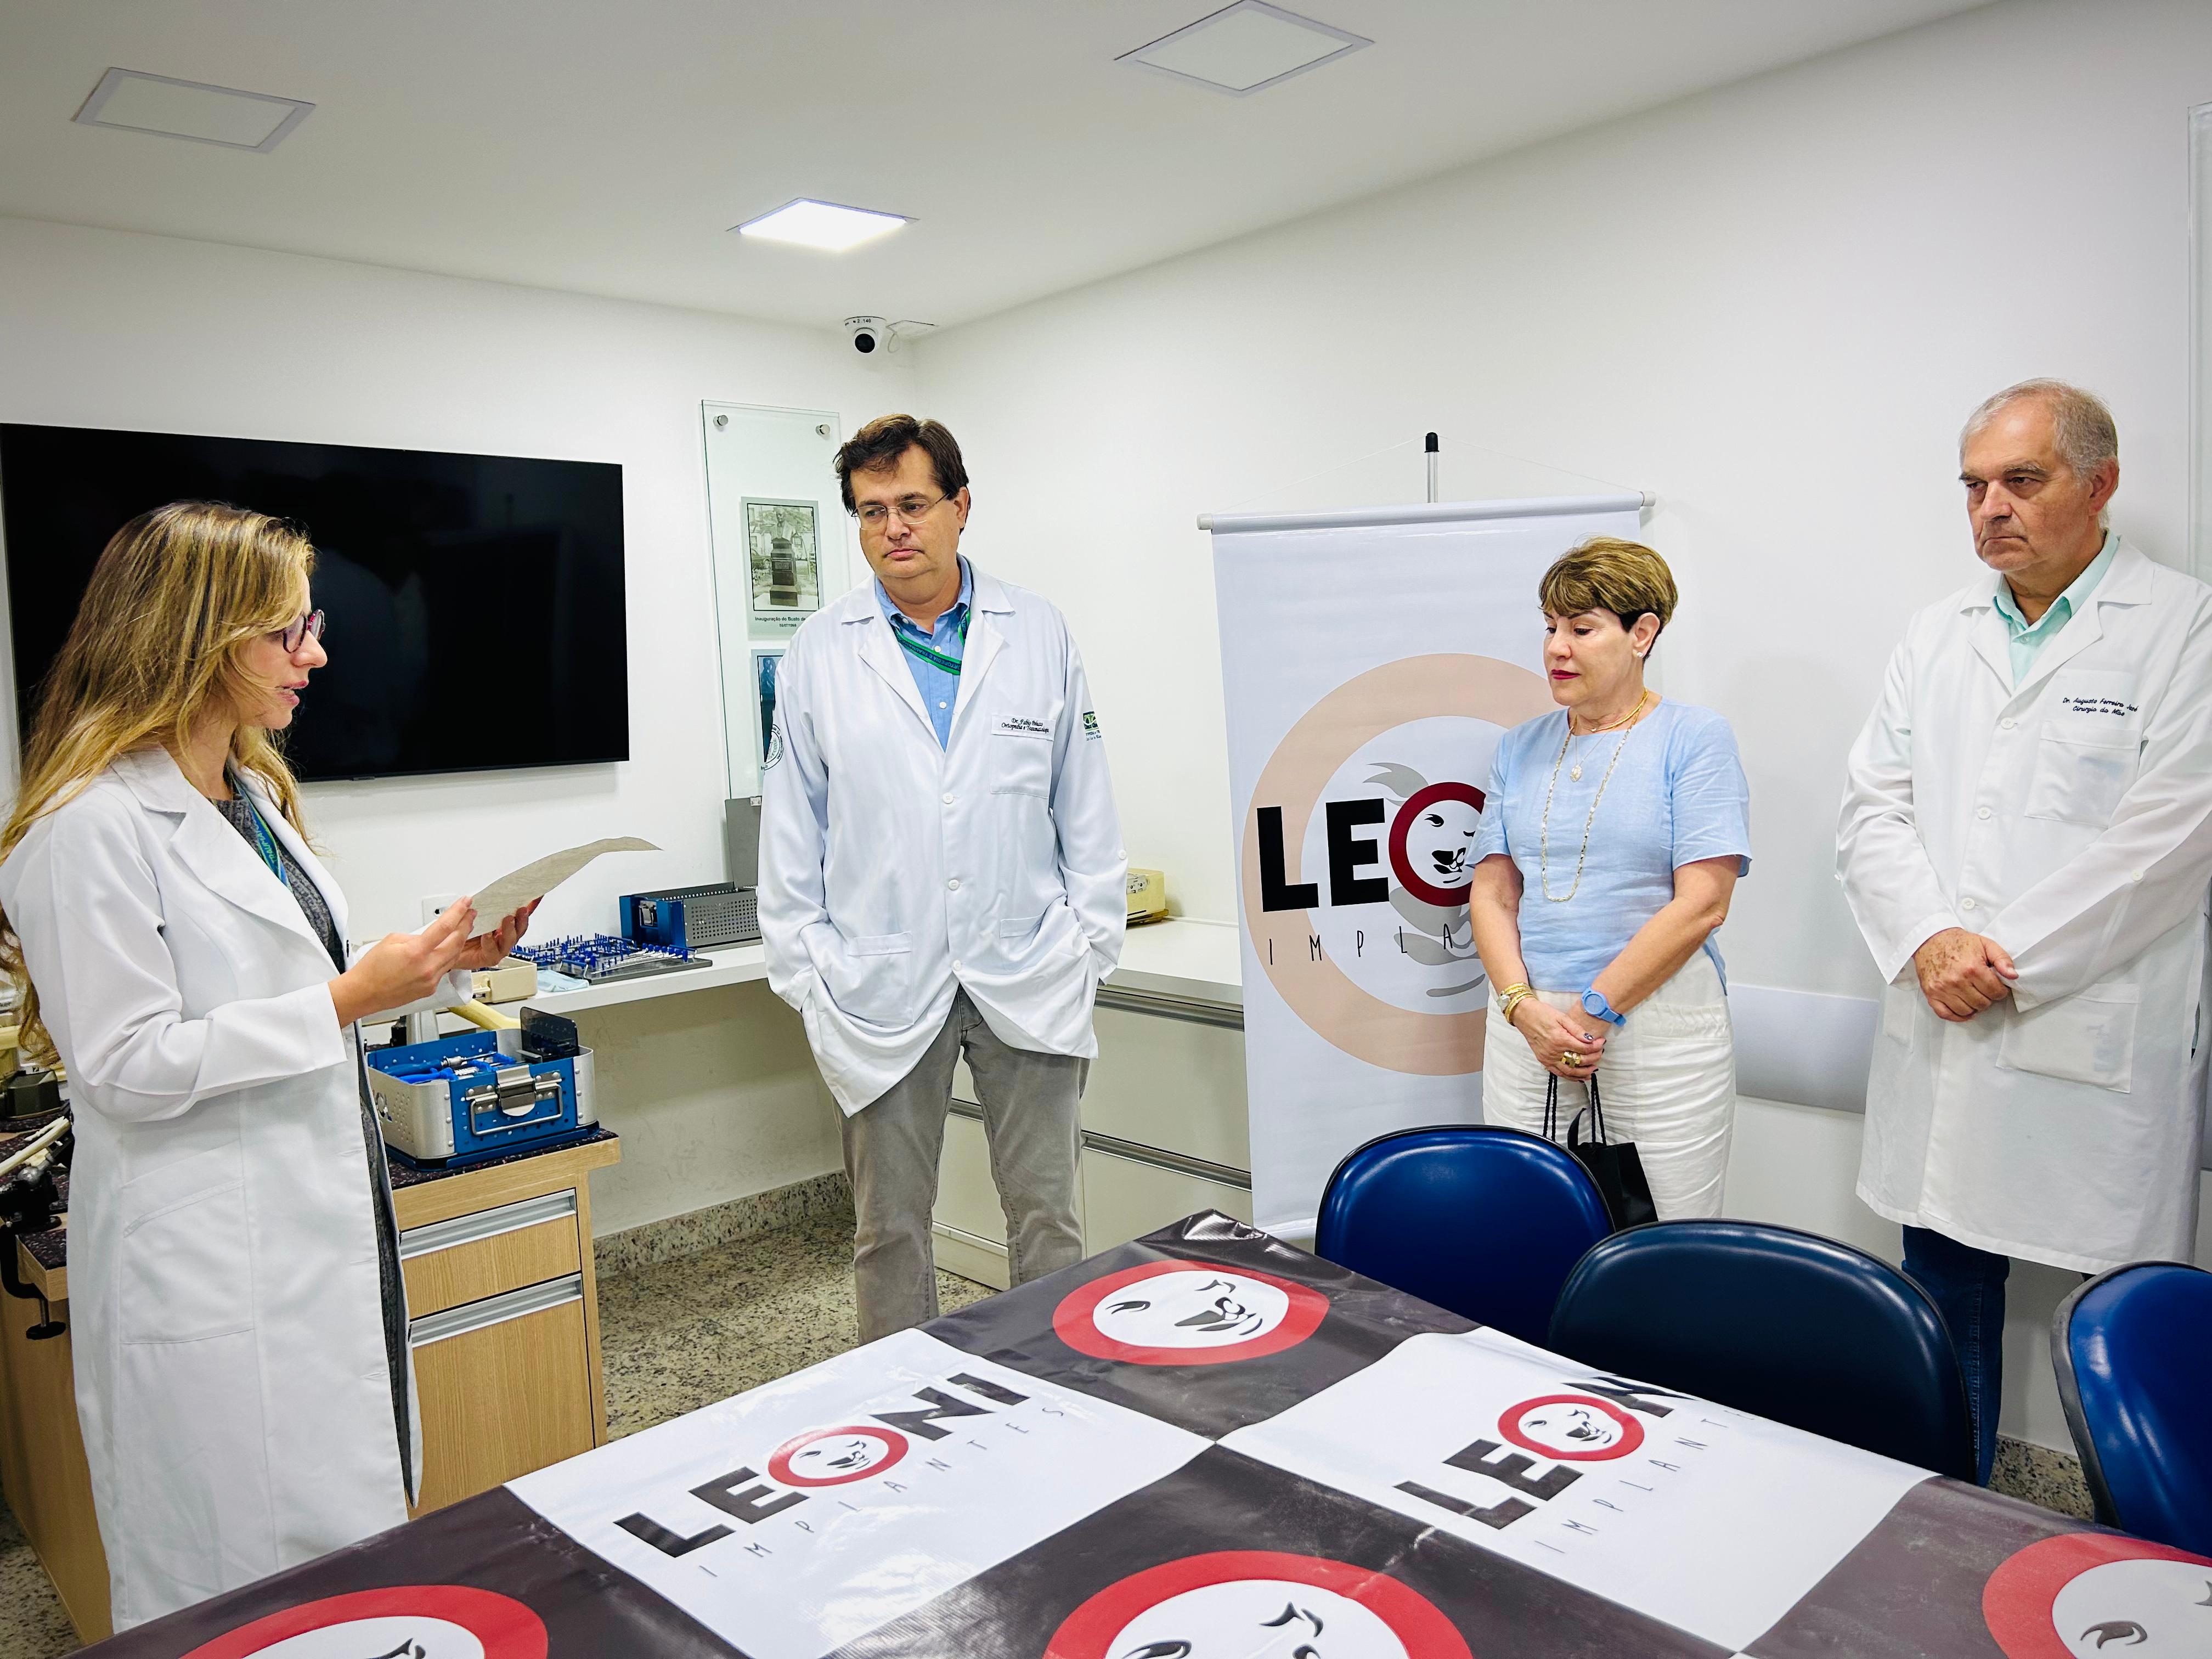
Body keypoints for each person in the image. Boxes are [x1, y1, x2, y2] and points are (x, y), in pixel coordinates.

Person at [0, 502, 533, 1627]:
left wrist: (437, 968)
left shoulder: (248, 795)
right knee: (235, 1592)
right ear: (197, 637)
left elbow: (285, 983)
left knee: (348, 1570)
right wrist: (347, 999)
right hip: (209, 1265)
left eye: (313, 625)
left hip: (318, 1233)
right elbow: (124, 1063)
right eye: (288, 631)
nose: (317, 655)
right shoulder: (87, 826)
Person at [1838, 379, 2212, 1486]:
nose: (1990, 507)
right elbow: (1872, 809)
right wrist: (1929, 938)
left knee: (2118, 1319)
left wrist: (2001, 961)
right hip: (1946, 1022)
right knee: (1944, 1290)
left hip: (2088, 1029)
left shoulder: (2184, 627)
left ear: (2099, 485)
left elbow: (2168, 837)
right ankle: (1950, 1514)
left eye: (2020, 480)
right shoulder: (1936, 633)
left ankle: (2138, 1539)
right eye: (1973, 486)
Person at [758, 414, 1125, 1341]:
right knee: (888, 1230)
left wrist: (1091, 940)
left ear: (961, 506)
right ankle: (900, 1396)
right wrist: (806, 970)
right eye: (871, 510)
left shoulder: (1036, 631)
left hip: (1029, 962)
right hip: (877, 980)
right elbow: (792, 825)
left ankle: (1056, 1382)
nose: (895, 528)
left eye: (914, 504)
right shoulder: (818, 651)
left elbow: (1084, 800)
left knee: (1047, 1216)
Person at [1468, 538, 1752, 1218]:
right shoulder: (1519, 747)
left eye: (1582, 629)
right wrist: (1522, 1008)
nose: (1557, 648)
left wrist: (1592, 1014)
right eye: (1550, 627)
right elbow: (1493, 893)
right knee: (1526, 1229)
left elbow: (1704, 903)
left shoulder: (1694, 738)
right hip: (1527, 1026)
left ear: (1642, 634)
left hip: (1656, 1028)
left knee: (1663, 1243)